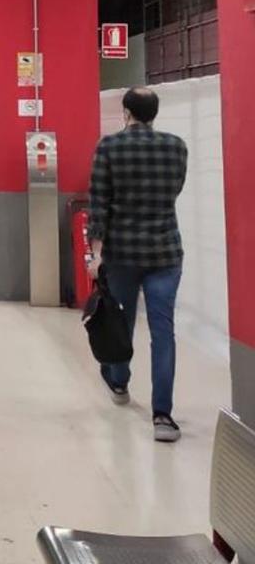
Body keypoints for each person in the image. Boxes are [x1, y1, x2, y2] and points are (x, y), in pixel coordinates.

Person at [87, 86, 188, 443]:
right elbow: (174, 191)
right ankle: (163, 416)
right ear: (154, 113)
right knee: (164, 332)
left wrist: (96, 254)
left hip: (122, 254)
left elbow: (98, 205)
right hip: (165, 253)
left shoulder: (109, 147)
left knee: (120, 320)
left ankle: (118, 382)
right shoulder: (176, 146)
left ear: (125, 112)